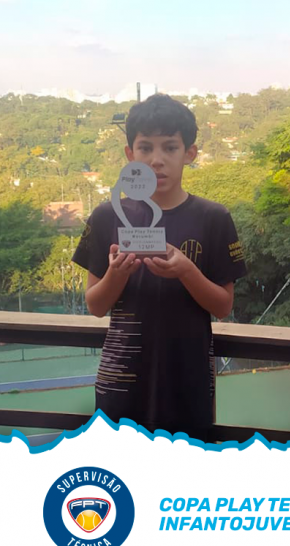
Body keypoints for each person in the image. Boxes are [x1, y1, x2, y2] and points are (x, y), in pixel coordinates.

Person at [73, 94, 246, 441]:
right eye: (145, 148)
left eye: (170, 147)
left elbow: (223, 306)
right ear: (130, 155)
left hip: (188, 382)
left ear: (189, 153)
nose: (157, 160)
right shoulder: (107, 216)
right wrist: (116, 274)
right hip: (120, 382)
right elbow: (95, 305)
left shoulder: (214, 218)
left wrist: (187, 271)